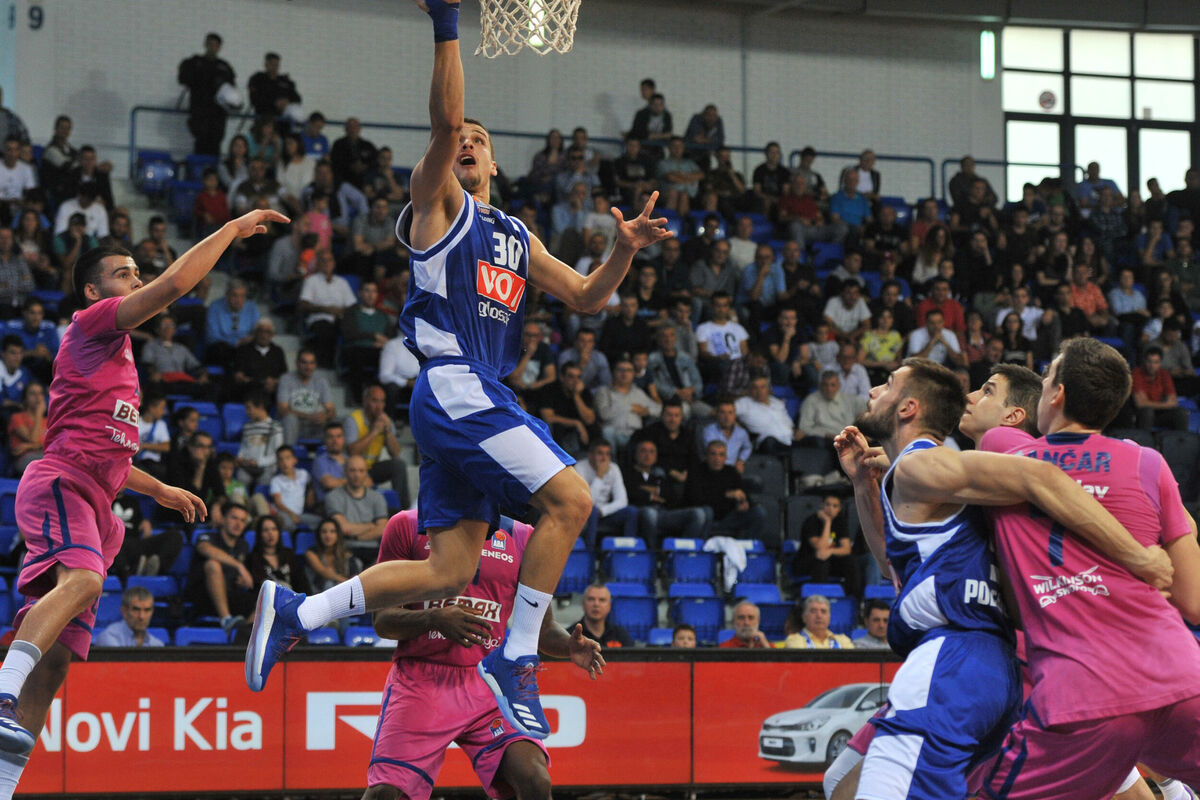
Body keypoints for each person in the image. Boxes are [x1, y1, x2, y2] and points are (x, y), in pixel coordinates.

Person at [244, 2, 670, 746]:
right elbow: (444, 124)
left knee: (447, 570)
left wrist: (624, 250)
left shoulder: (516, 235)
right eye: (461, 138)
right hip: (455, 384)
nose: (468, 141)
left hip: (470, 399)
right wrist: (447, 23)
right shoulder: (439, 207)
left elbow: (585, 296)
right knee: (572, 500)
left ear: (496, 164)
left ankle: (298, 612)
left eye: (481, 140)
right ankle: (518, 655)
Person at [0, 207, 282, 772]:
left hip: (96, 497)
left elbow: (109, 457)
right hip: (61, 483)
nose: (135, 279)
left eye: (136, 272)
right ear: (92, 290)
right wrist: (230, 230)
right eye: (123, 273)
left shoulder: (119, 359)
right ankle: (4, 692)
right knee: (83, 581)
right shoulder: (93, 323)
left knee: (56, 665)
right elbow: (174, 285)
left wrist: (160, 489)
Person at [830, 357, 1173, 800]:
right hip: (989, 657)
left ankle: (1172, 786)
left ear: (1014, 414)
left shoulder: (1003, 447)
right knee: (843, 782)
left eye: (987, 390)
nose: (971, 396)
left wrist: (1137, 556)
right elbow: (899, 562)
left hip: (1005, 649)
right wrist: (865, 484)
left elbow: (1042, 476)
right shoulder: (955, 474)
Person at [978, 339, 1200, 800]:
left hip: (1084, 693)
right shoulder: (1147, 462)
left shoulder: (1007, 463)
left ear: (1057, 393)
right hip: (1179, 675)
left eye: (1046, 379)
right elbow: (1193, 602)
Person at [365, 510, 603, 800]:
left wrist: (569, 646)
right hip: (421, 682)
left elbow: (542, 630)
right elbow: (383, 620)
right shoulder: (406, 525)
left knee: (535, 781)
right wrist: (434, 618)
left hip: (490, 682)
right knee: (384, 793)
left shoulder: (523, 537)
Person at [188, 501, 255, 632]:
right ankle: (226, 619)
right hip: (204, 598)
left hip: (231, 596)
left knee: (265, 599)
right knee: (213, 565)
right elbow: (204, 548)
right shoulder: (209, 537)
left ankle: (244, 634)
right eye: (234, 518)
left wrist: (243, 582)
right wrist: (239, 566)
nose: (238, 524)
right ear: (223, 519)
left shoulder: (243, 545)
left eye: (242, 520)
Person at [344, 384, 411, 506]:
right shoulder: (353, 420)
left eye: (382, 401)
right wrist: (374, 432)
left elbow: (395, 453)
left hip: (371, 468)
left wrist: (388, 431)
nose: (379, 406)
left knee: (398, 465)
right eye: (375, 401)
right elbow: (352, 452)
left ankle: (402, 509)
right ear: (365, 401)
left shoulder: (386, 421)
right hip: (352, 469)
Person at [684, 440, 765, 539]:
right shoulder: (696, 472)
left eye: (721, 455)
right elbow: (695, 501)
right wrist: (726, 495)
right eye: (713, 454)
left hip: (727, 520)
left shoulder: (731, 472)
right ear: (706, 456)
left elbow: (743, 494)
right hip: (705, 521)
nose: (717, 459)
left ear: (725, 458)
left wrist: (744, 502)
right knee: (706, 512)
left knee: (758, 512)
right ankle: (701, 547)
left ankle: (747, 546)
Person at [177, 33, 236, 155]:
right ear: (205, 45)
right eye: (210, 44)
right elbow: (182, 79)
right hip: (199, 112)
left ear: (219, 47)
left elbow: (232, 90)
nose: (212, 48)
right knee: (200, 145)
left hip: (218, 115)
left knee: (215, 146)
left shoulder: (224, 67)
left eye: (215, 45)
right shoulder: (194, 62)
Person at [793, 495, 860, 599]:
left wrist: (831, 552)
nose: (830, 509)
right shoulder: (811, 521)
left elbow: (847, 549)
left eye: (835, 506)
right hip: (807, 562)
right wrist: (827, 523)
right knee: (822, 561)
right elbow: (820, 548)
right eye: (827, 505)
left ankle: (853, 598)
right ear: (821, 505)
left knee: (850, 561)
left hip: (830, 561)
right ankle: (820, 598)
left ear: (839, 509)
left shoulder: (840, 522)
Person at [325, 455, 389, 547]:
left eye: (361, 471)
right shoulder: (333, 496)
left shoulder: (377, 497)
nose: (357, 475)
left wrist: (357, 537)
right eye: (352, 470)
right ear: (345, 472)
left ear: (366, 473)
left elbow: (382, 529)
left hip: (373, 550)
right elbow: (343, 528)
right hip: (345, 550)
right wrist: (370, 526)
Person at [304, 517, 362, 595]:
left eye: (332, 531)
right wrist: (346, 582)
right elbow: (323, 572)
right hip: (318, 594)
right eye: (324, 532)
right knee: (329, 584)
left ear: (338, 534)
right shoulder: (311, 553)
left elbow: (354, 578)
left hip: (344, 592)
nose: (328, 535)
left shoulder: (347, 554)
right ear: (319, 534)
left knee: (358, 562)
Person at [92, 586, 164, 648]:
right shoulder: (109, 637)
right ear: (124, 611)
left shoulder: (157, 644)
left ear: (152, 612)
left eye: (147, 610)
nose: (141, 616)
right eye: (136, 609)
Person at [572, 582, 633, 650]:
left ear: (609, 606)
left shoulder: (621, 636)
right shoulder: (571, 635)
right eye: (591, 599)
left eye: (602, 600)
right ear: (583, 604)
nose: (596, 604)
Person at [783, 595, 853, 649]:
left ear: (829, 617)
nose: (819, 616)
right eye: (813, 611)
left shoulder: (843, 640)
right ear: (804, 617)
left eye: (823, 611)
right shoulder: (794, 640)